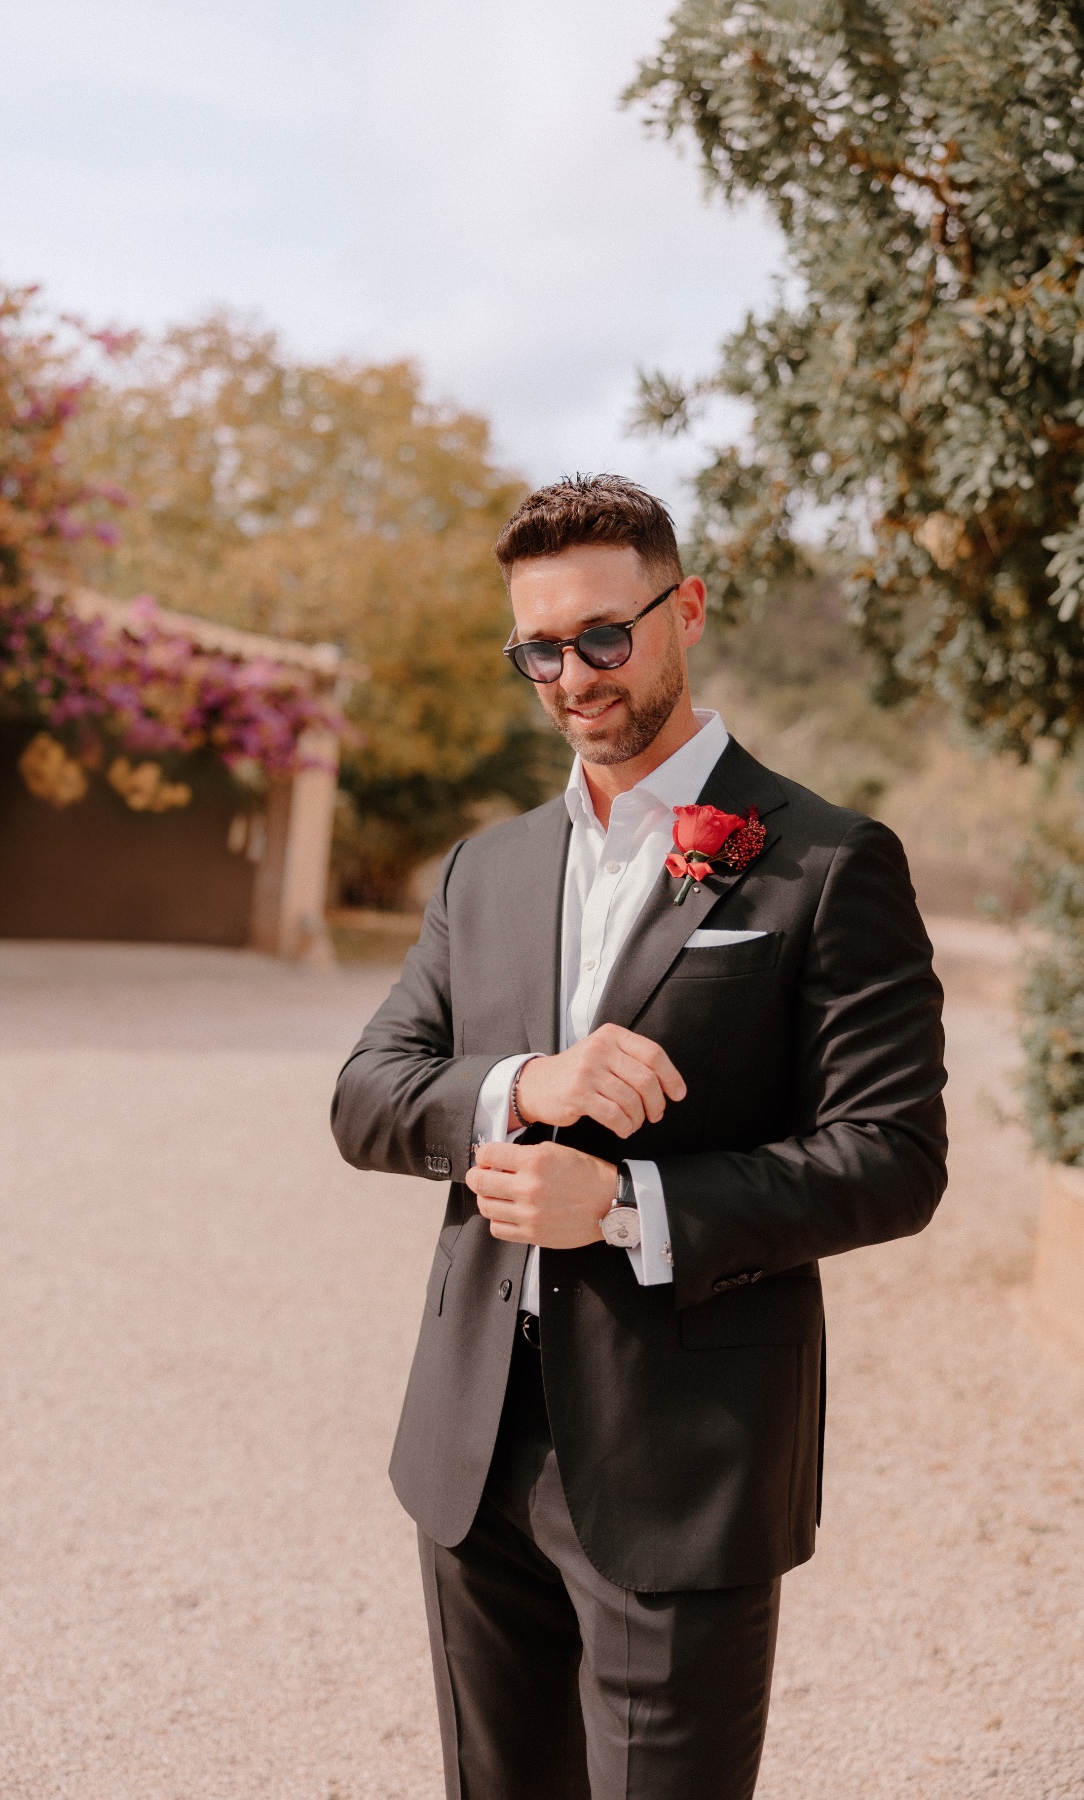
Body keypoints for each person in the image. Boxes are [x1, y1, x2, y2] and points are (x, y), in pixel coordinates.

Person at [330, 474, 947, 1800]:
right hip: (471, 1445)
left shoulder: (830, 863)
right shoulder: (482, 868)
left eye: (604, 636)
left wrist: (621, 1206)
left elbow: (894, 1156)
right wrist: (529, 1083)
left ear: (688, 611)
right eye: (538, 650)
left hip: (686, 1462)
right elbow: (369, 1095)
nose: (572, 676)